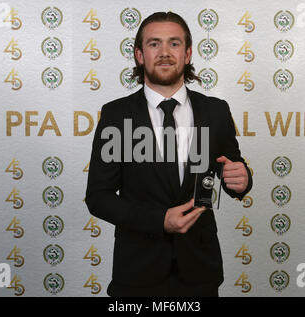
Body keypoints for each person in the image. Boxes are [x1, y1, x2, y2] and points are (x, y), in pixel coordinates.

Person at [85, 11, 252, 297]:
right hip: (137, 274)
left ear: (187, 54)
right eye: (154, 44)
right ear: (139, 55)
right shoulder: (116, 115)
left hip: (200, 273)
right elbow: (98, 198)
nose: (164, 52)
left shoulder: (216, 111)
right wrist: (159, 220)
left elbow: (232, 168)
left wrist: (242, 179)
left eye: (174, 44)